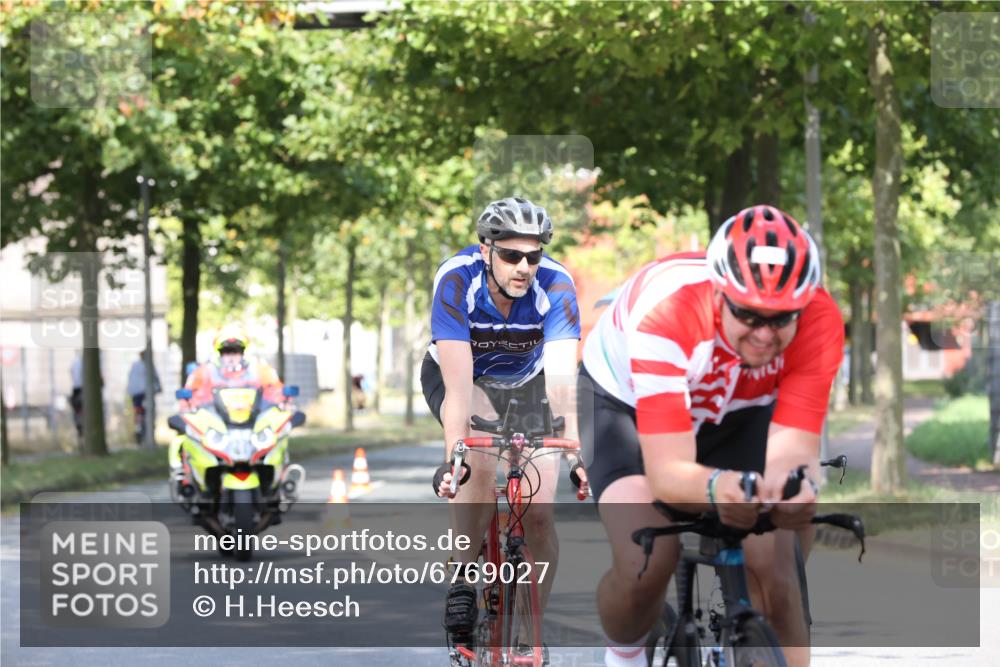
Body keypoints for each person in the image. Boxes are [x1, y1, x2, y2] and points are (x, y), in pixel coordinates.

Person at [579, 205, 842, 667]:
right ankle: (624, 652)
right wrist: (716, 487)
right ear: (720, 294)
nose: (764, 334)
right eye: (748, 314)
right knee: (649, 556)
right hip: (626, 405)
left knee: (779, 572)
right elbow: (667, 474)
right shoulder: (669, 312)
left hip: (740, 408)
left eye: (781, 318)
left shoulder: (820, 322)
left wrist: (792, 493)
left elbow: (793, 453)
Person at [422, 197, 582, 647]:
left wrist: (573, 450)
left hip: (528, 382)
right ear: (486, 249)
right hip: (463, 375)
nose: (524, 267)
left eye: (533, 256)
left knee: (541, 514)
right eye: (511, 255)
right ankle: (463, 575)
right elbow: (458, 387)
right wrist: (455, 458)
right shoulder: (456, 280)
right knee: (481, 453)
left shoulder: (557, 285)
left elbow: (562, 380)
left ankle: (531, 631)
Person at [169, 324, 284, 482]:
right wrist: (187, 409)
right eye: (226, 351)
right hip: (218, 426)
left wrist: (282, 407)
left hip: (251, 425)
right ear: (219, 352)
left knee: (280, 439)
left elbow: (275, 394)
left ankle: (281, 479)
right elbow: (191, 397)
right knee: (183, 438)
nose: (231, 356)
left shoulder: (260, 370)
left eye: (235, 351)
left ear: (243, 352)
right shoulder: (204, 372)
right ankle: (182, 474)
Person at [127, 351, 161, 443]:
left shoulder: (136, 365)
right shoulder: (148, 365)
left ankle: (140, 429)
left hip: (138, 394)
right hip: (144, 394)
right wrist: (158, 388)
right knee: (145, 412)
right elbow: (155, 378)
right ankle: (141, 429)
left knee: (140, 412)